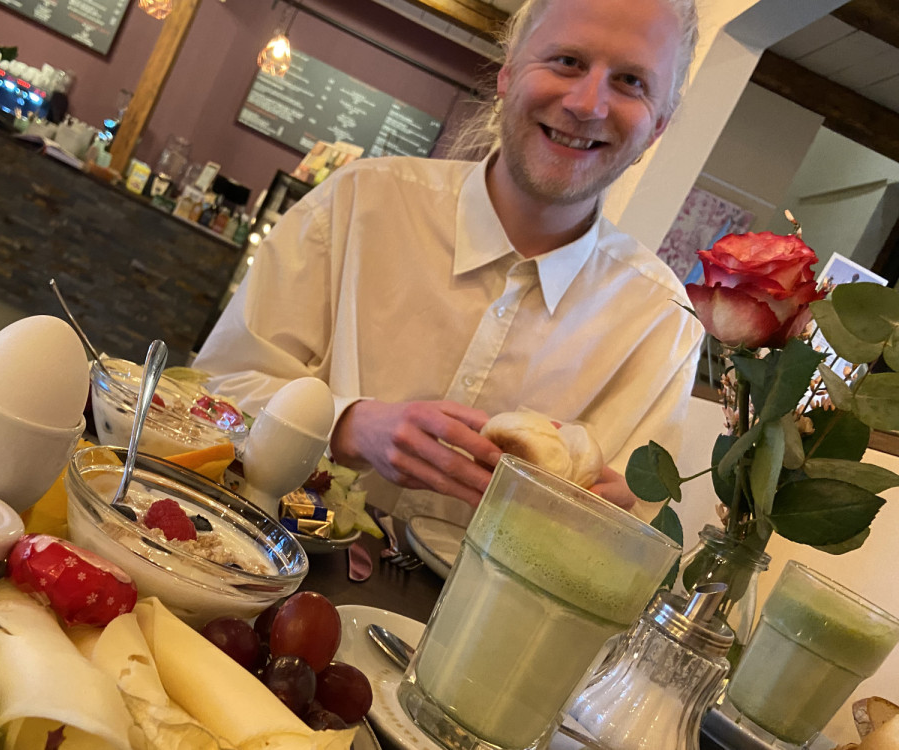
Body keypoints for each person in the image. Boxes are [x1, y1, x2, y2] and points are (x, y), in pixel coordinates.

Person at [195, 0, 705, 526]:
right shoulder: (358, 202)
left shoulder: (662, 325)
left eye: (630, 82)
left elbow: (625, 546)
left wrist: (603, 530)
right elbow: (214, 389)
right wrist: (346, 425)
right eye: (567, 62)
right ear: (508, 73)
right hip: (254, 561)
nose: (587, 103)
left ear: (659, 125)